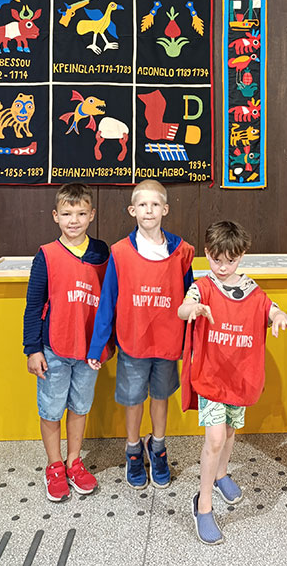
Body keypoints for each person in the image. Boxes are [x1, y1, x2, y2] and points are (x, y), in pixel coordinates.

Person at [178, 221, 287, 545]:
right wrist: (193, 308)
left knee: (229, 432)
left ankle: (221, 475)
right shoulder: (203, 287)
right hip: (211, 377)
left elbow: (270, 309)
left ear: (241, 256)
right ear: (207, 254)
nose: (223, 267)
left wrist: (280, 317)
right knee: (214, 438)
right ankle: (203, 505)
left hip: (238, 378)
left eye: (230, 260)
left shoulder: (252, 290)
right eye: (216, 260)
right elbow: (182, 308)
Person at [87, 180, 194, 491]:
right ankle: (133, 450)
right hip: (133, 343)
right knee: (133, 400)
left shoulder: (181, 252)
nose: (149, 210)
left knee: (161, 397)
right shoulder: (120, 252)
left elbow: (191, 298)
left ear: (165, 209)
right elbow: (108, 300)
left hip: (167, 342)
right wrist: (98, 346)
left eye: (155, 205)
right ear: (132, 210)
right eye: (143, 205)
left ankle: (157, 447)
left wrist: (190, 343)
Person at [23, 183, 110, 502]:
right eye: (67, 214)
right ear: (55, 216)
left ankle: (74, 461)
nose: (74, 220)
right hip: (53, 349)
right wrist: (32, 349)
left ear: (92, 215)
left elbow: (110, 301)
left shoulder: (102, 253)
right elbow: (34, 305)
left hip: (88, 351)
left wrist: (106, 343)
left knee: (80, 406)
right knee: (51, 409)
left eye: (81, 213)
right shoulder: (46, 255)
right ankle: (54, 465)